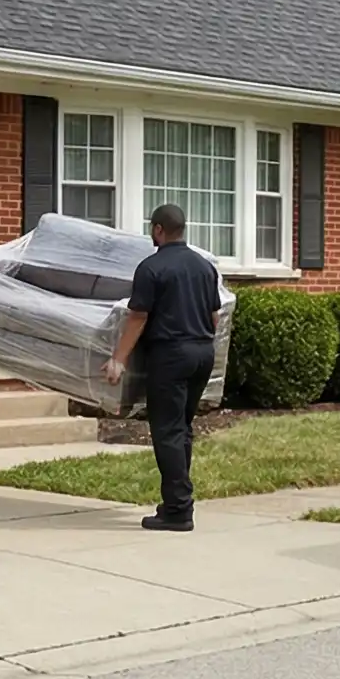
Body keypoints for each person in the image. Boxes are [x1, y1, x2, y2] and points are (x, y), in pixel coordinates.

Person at [105, 204, 222, 533]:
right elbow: (215, 317)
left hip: (171, 355)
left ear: (158, 229)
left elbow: (138, 317)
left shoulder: (151, 267)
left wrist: (118, 359)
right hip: (202, 353)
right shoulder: (204, 266)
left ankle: (178, 510)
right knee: (182, 428)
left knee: (167, 432)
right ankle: (177, 501)